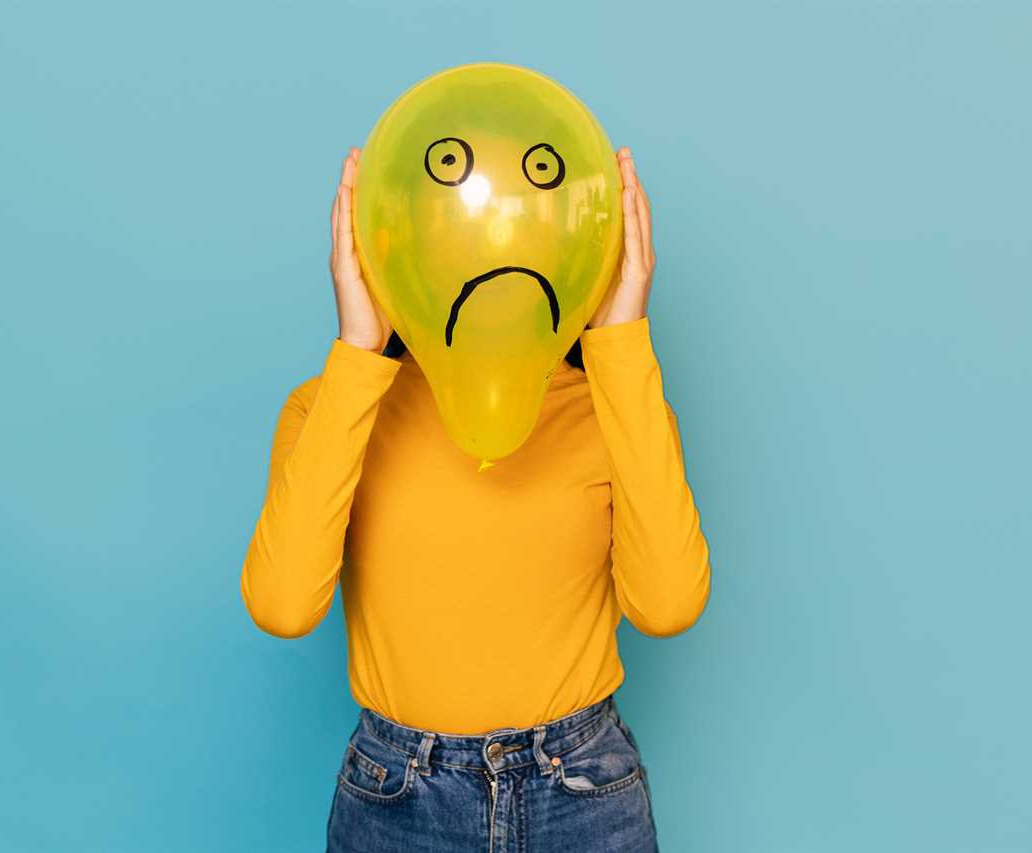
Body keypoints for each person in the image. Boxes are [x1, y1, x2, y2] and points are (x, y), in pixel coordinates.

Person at [240, 145, 712, 852]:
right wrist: (359, 351)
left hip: (581, 794)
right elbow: (282, 606)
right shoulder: (331, 408)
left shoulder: (614, 409)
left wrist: (621, 343)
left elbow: (668, 605)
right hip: (397, 798)